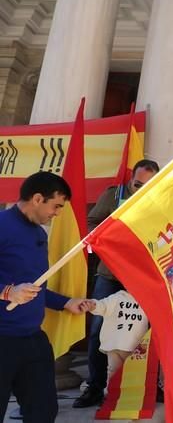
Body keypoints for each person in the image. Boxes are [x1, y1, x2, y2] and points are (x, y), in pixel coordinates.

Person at [1, 171, 89, 422]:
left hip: (33, 339)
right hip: (2, 338)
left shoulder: (38, 234)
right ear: (38, 198)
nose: (58, 213)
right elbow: (16, 290)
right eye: (56, 206)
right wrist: (8, 292)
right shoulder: (2, 226)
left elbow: (35, 287)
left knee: (43, 411)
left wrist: (65, 303)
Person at [74, 158, 159, 408]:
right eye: (138, 184)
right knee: (98, 330)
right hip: (111, 275)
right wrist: (111, 243)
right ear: (131, 177)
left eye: (148, 185)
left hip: (144, 277)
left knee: (149, 331)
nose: (141, 189)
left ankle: (149, 385)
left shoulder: (161, 200)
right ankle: (96, 387)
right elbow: (91, 225)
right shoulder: (114, 195)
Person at [83, 291, 149, 379]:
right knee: (115, 372)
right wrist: (93, 305)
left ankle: (119, 392)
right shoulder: (117, 297)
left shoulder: (147, 299)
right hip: (116, 346)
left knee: (132, 374)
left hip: (132, 346)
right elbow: (102, 306)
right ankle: (113, 392)